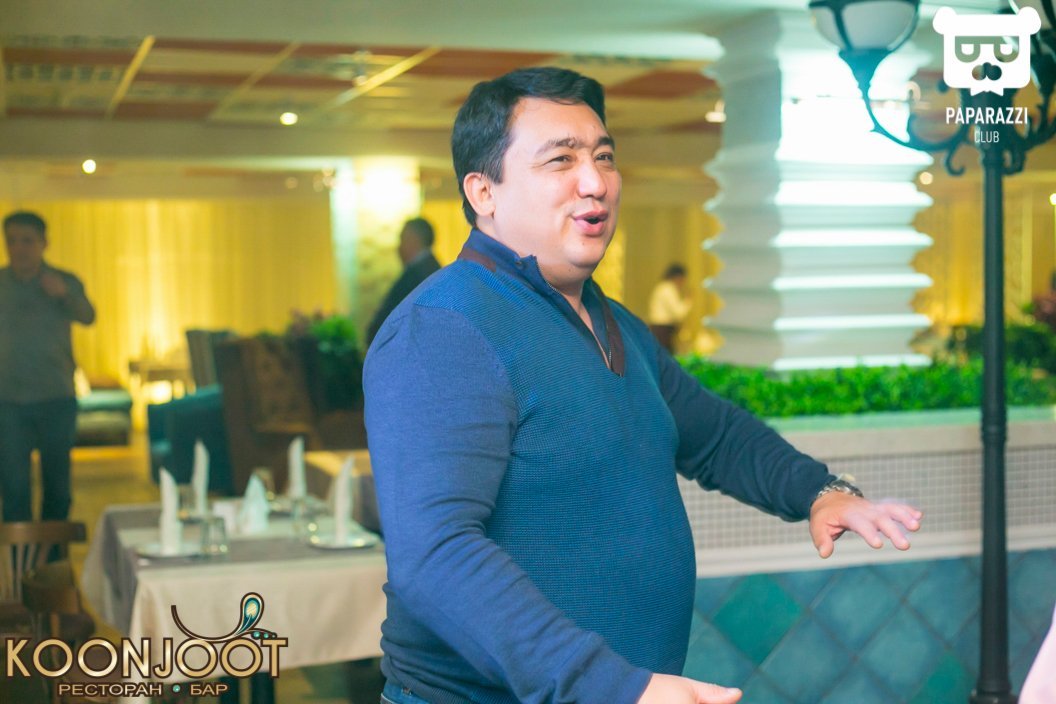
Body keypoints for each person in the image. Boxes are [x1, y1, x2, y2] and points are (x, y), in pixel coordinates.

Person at [363, 67, 923, 704]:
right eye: (561, 159)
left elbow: (717, 437)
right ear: (483, 191)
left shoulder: (609, 321)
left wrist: (819, 492)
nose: (595, 181)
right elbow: (436, 557)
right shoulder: (446, 326)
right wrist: (612, 687)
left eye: (603, 156)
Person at [0, 211, 95, 522]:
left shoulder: (63, 281)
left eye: (27, 241)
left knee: (57, 487)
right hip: (8, 401)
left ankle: (54, 552)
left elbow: (88, 316)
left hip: (56, 397)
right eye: (12, 241)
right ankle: (20, 553)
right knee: (13, 487)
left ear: (44, 243)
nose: (19, 248)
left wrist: (64, 295)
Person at [365, 217, 442, 347]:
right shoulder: (435, 271)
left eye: (402, 239)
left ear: (412, 239)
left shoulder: (417, 276)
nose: (398, 247)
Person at [648, 263, 691, 353]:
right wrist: (688, 301)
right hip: (663, 330)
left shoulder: (662, 287)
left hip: (658, 328)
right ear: (678, 277)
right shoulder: (668, 289)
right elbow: (679, 313)